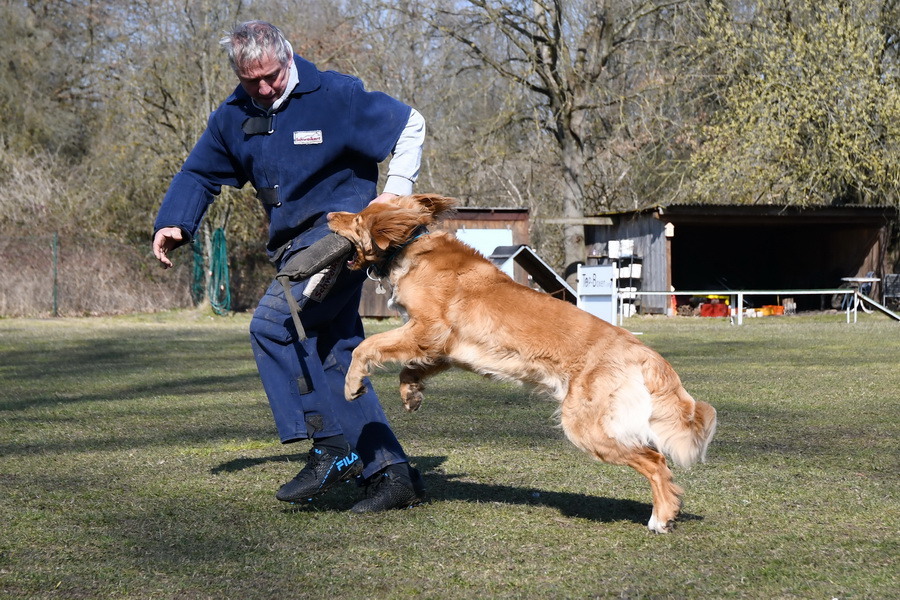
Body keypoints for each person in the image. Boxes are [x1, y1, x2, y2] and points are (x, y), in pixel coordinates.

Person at [151, 20, 426, 512]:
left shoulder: (335, 95)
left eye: (271, 76)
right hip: (289, 249)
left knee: (272, 325)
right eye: (249, 80)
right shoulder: (234, 115)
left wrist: (396, 190)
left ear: (289, 57)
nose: (262, 88)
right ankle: (391, 473)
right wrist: (175, 221)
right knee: (333, 354)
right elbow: (199, 171)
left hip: (339, 240)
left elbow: (410, 124)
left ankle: (330, 444)